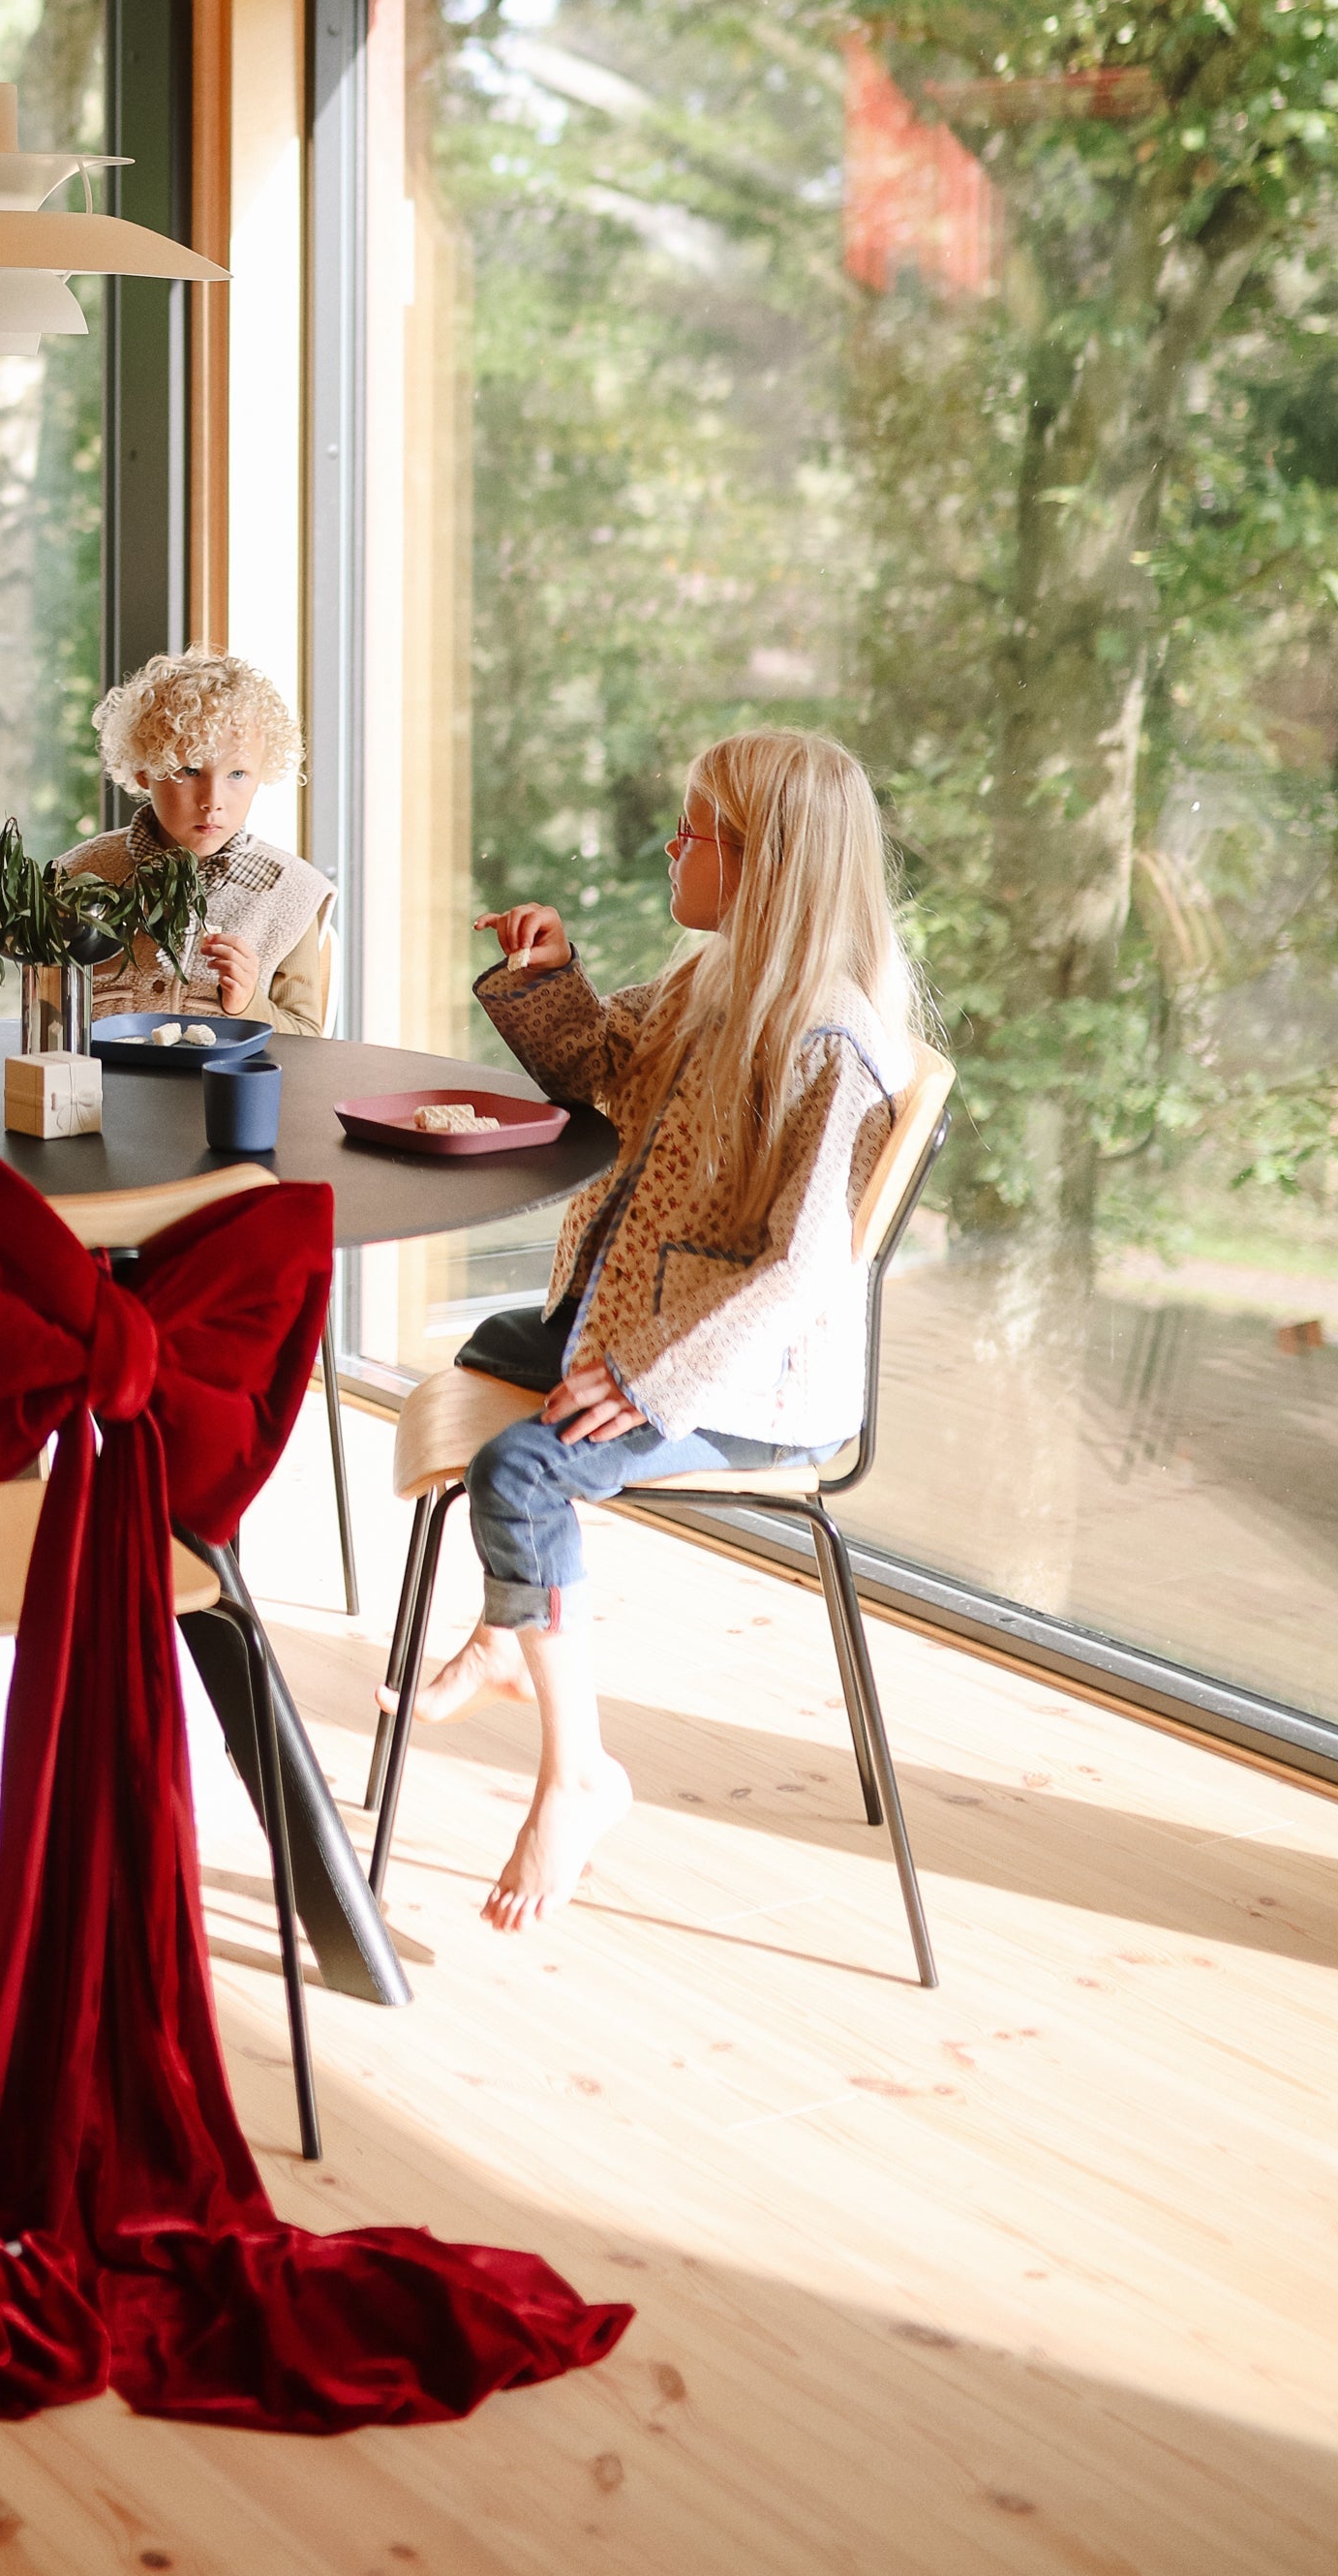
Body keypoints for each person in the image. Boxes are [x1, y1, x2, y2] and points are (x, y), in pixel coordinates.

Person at [389, 726, 925, 1933]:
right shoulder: (709, 985)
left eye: (695, 832)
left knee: (517, 1468)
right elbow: (599, 1067)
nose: (672, 847)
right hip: (641, 1324)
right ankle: (513, 1618)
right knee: (494, 1346)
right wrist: (549, 974)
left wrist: (651, 1376)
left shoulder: (829, 1043)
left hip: (742, 1380)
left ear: (764, 862)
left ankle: (576, 1774)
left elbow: (804, 1266)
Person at [54, 652, 335, 1033]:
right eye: (190, 770)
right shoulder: (80, 875)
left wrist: (248, 1003)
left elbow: (309, 1041)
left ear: (262, 773)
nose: (213, 800)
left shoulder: (292, 894)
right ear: (144, 769)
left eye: (237, 774)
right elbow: (45, 1015)